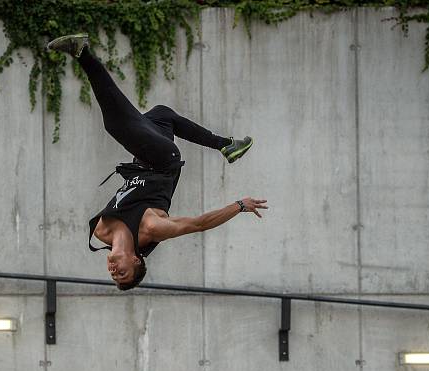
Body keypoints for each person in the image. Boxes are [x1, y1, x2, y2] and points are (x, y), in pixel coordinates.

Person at [47, 33, 267, 290]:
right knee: (116, 124)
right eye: (122, 273)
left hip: (142, 160)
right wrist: (240, 205)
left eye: (113, 276)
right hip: (163, 161)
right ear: (136, 259)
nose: (114, 271)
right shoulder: (151, 229)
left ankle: (226, 145)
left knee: (161, 115)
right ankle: (82, 53)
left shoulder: (100, 231)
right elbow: (198, 224)